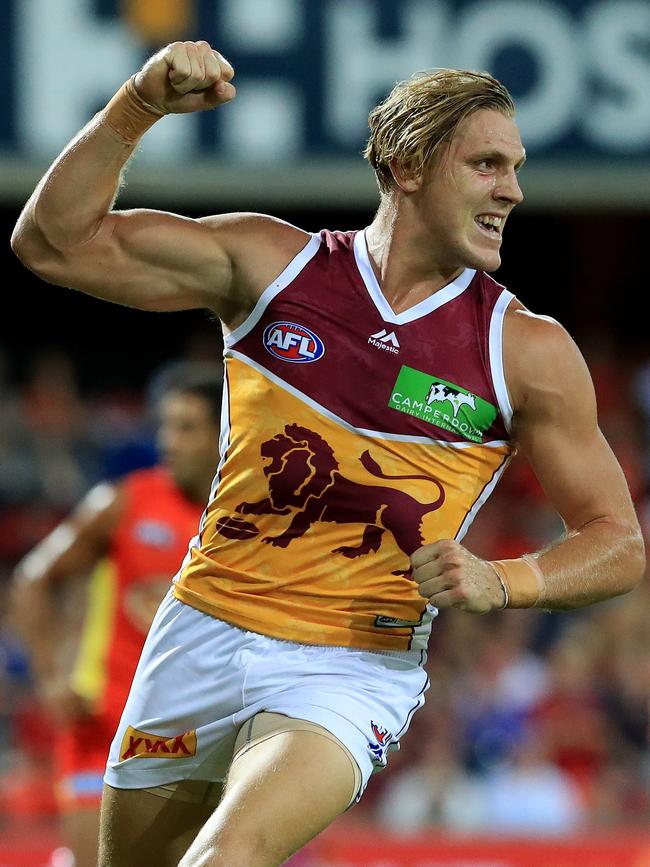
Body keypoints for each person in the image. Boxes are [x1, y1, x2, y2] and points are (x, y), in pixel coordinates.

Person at [11, 40, 645, 867]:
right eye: (487, 164)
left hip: (350, 666)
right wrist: (138, 104)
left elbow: (618, 541)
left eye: (516, 167)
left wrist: (507, 579)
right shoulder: (274, 266)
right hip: (199, 630)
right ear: (408, 165)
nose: (513, 191)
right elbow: (52, 243)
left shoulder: (522, 349)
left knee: (223, 858)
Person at [9, 369, 222, 867]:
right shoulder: (124, 502)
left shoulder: (244, 523)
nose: (168, 441)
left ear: (225, 432)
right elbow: (34, 578)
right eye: (165, 426)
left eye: (187, 428)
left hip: (194, 735)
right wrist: (50, 676)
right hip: (103, 724)